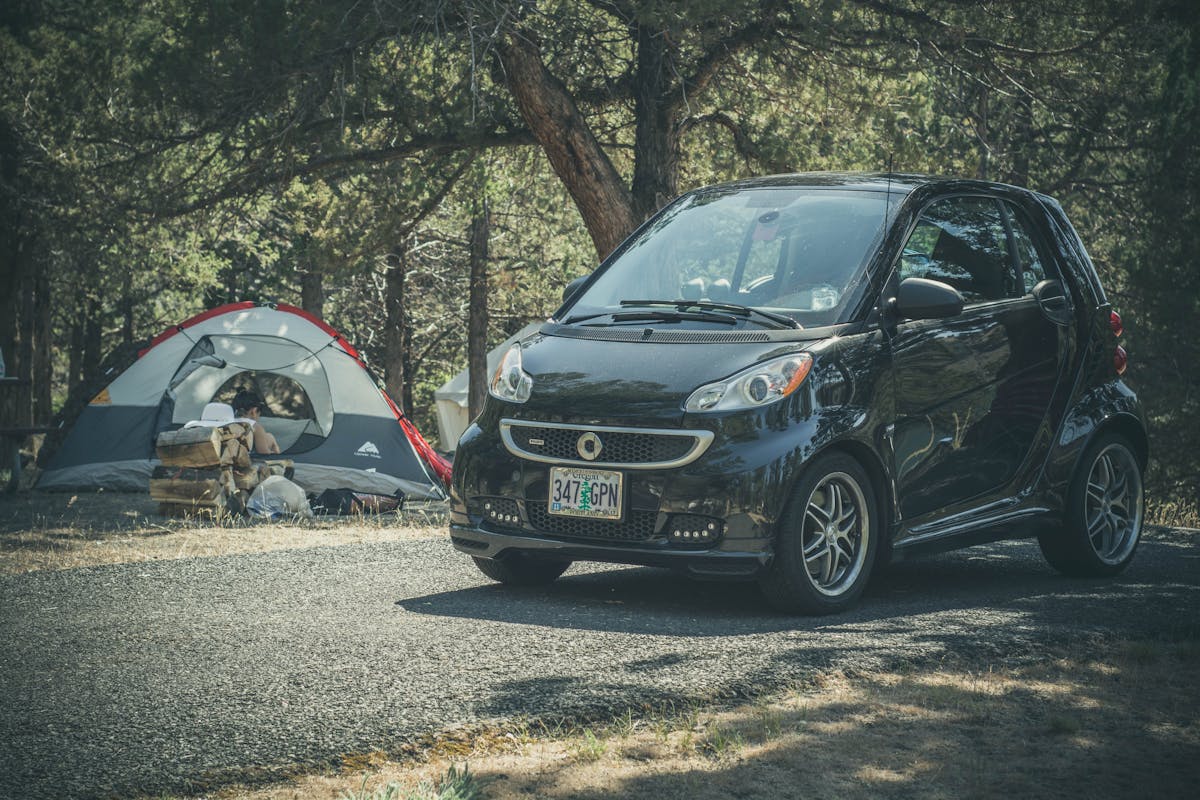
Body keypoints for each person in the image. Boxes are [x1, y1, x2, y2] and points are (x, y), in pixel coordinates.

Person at [231, 389, 281, 454]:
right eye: (259, 411)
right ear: (254, 411)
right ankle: (279, 457)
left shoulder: (229, 423)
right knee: (270, 437)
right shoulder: (255, 427)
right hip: (245, 460)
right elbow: (263, 453)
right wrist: (271, 452)